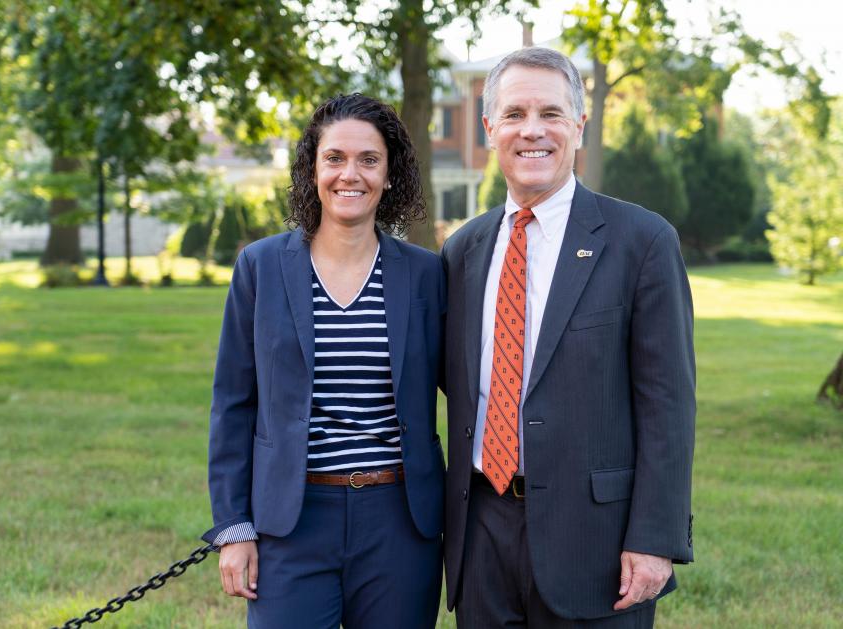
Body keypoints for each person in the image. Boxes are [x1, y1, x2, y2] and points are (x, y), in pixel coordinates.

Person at [441, 47, 696, 628]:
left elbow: (668, 405)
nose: (533, 130)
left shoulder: (642, 242)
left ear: (579, 126)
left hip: (597, 544)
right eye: (514, 114)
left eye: (551, 113)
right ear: (489, 129)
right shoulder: (462, 251)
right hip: (481, 533)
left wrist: (654, 538)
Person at [201, 93, 445, 629]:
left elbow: (474, 388)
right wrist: (234, 528)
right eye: (334, 158)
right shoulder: (260, 267)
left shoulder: (427, 275)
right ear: (313, 168)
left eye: (368, 160)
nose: (349, 174)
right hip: (291, 520)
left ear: (389, 174)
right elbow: (232, 404)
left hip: (400, 522)